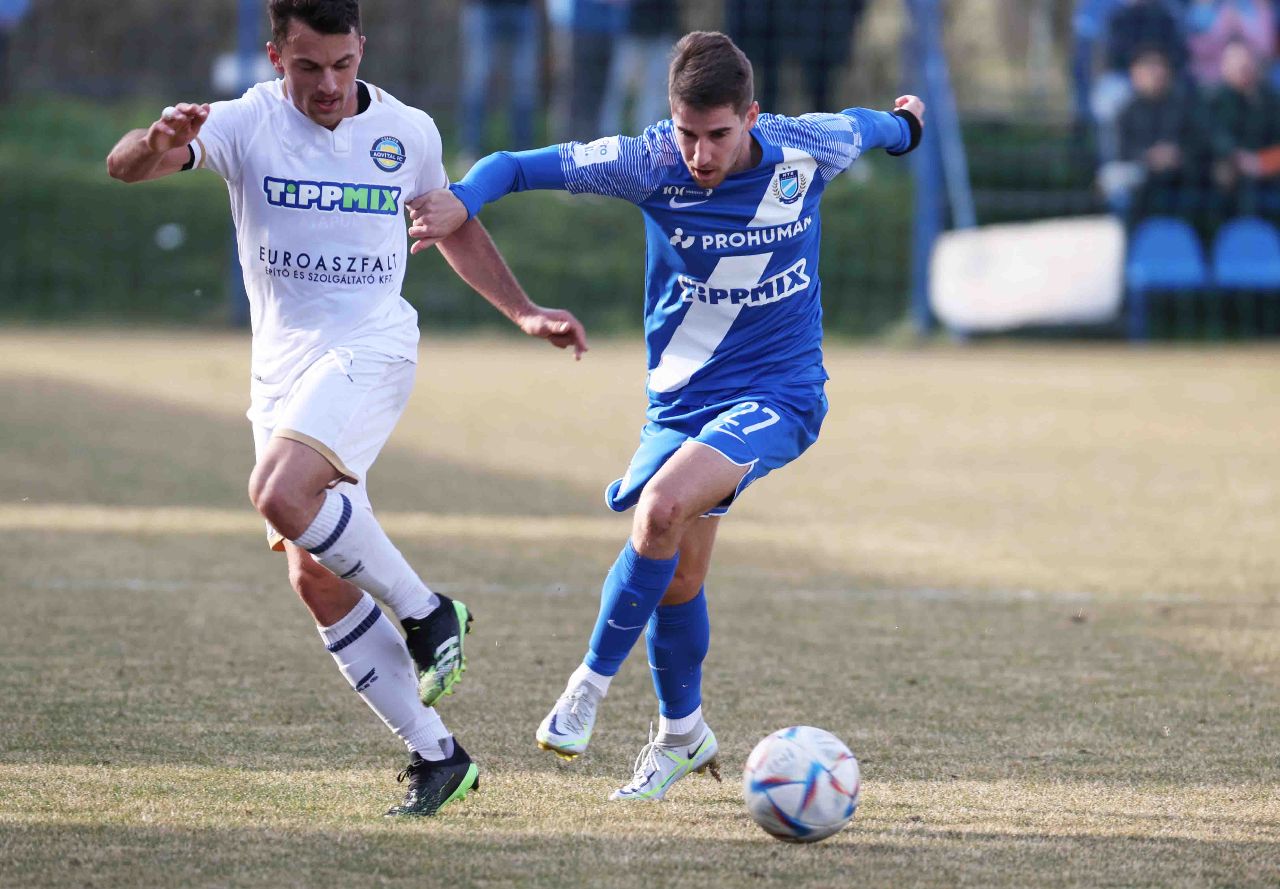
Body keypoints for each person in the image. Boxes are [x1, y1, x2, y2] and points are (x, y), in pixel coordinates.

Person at [405, 30, 923, 801]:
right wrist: (464, 198)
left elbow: (873, 126)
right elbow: (514, 165)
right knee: (679, 573)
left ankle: (585, 688)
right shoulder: (647, 161)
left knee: (661, 507)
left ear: (752, 116)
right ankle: (683, 733)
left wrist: (908, 125)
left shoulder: (807, 146)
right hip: (681, 402)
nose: (701, 154)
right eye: (687, 133)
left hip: (779, 391)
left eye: (719, 135)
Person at [105, 0, 587, 817]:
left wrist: (525, 311)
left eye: (341, 64)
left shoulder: (410, 131)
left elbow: (452, 225)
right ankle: (439, 757)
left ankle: (430, 612)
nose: (327, 84)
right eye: (307, 67)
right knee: (317, 577)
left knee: (279, 492)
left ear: (361, 47)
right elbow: (125, 166)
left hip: (373, 348)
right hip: (282, 376)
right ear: (275, 57)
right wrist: (156, 140)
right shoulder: (245, 122)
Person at [1100, 46, 1210, 217]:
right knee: (1115, 179)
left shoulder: (1185, 106)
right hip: (1141, 174)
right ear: (1134, 73)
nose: (1155, 73)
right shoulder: (1126, 111)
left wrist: (1176, 154)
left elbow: (1200, 142)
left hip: (1181, 172)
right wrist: (1149, 156)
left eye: (1159, 66)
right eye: (1148, 67)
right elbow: (1121, 151)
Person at [458, 0, 540, 163]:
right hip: (482, 7)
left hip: (523, 7)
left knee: (524, 83)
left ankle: (524, 154)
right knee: (477, 80)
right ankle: (471, 150)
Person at [1207, 39, 1280, 214]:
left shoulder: (1272, 101)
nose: (1242, 69)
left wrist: (1262, 163)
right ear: (1223, 67)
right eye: (1235, 64)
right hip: (1226, 168)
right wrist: (1236, 158)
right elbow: (1212, 136)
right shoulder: (1211, 101)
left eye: (1246, 63)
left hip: (1269, 170)